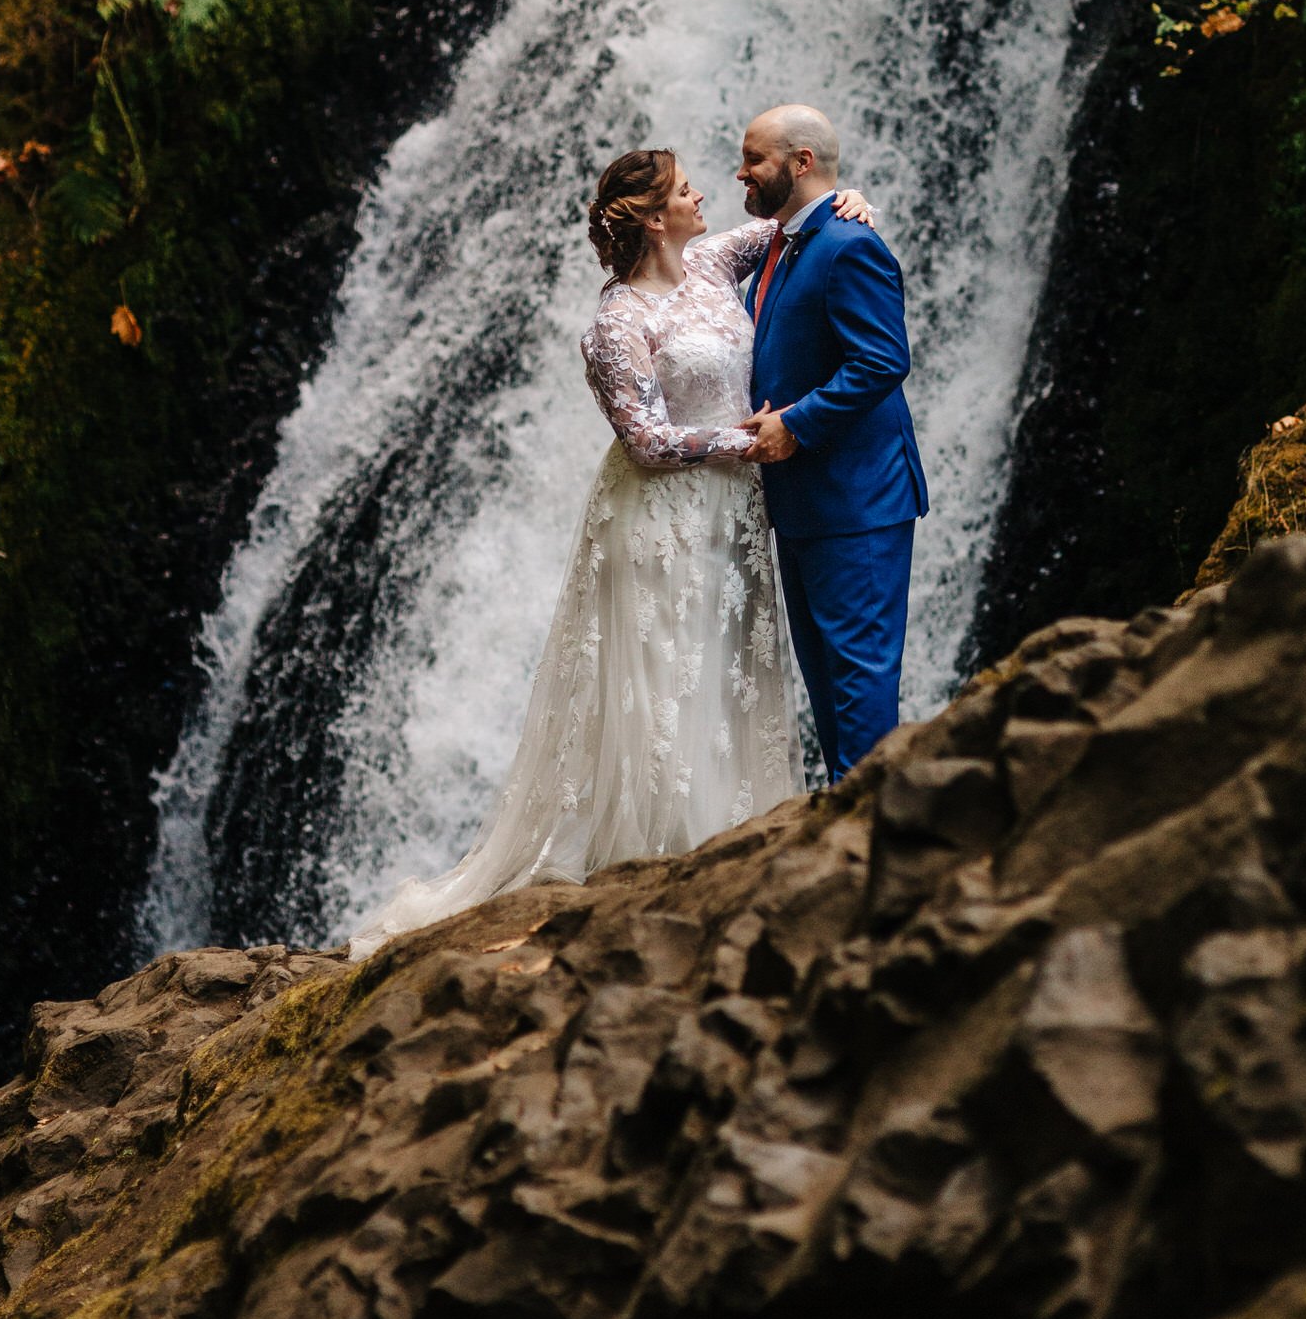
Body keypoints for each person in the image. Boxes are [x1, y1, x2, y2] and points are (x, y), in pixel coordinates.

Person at [347, 147, 875, 956]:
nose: (705, 194)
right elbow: (645, 440)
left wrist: (849, 201)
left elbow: (787, 228)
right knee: (669, 677)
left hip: (734, 513)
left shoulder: (711, 260)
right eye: (687, 189)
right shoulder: (616, 323)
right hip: (662, 516)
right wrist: (742, 439)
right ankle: (663, 865)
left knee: (726, 669)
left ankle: (731, 846)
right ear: (656, 218)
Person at [737, 104, 927, 784]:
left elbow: (882, 360)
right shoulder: (781, 244)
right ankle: (851, 824)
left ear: (801, 163)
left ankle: (876, 836)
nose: (742, 172)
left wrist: (796, 422)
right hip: (804, 500)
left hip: (858, 500)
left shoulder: (852, 245)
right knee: (827, 677)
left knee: (859, 678)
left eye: (754, 159)